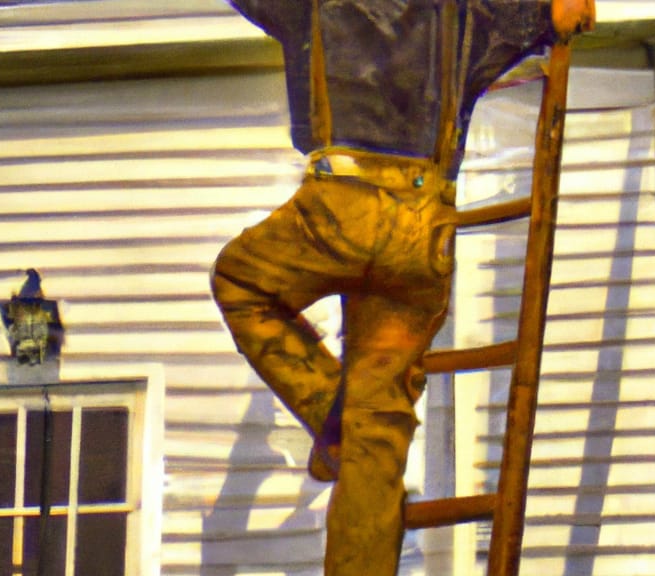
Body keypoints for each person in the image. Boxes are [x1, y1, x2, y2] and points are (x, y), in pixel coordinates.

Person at [210, 1, 587, 573]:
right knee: (378, 430)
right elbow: (556, 13)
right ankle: (351, 427)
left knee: (241, 280)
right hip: (423, 224)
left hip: (339, 207)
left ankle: (332, 415)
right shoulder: (471, 11)